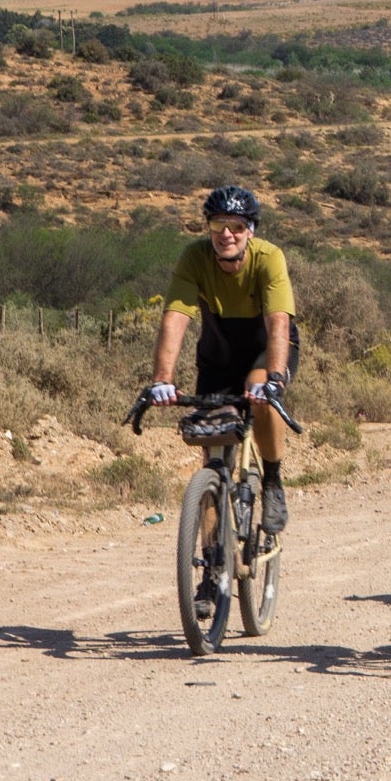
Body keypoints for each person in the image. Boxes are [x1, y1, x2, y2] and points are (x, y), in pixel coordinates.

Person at [146, 185, 297, 608]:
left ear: (250, 231)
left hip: (266, 347)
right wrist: (162, 377)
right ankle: (212, 571)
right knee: (212, 456)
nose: (225, 235)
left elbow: (279, 325)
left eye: (235, 227)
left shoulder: (269, 259)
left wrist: (276, 378)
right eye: (218, 226)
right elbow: (175, 316)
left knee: (261, 393)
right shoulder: (195, 257)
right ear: (208, 228)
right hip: (218, 351)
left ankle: (272, 479)